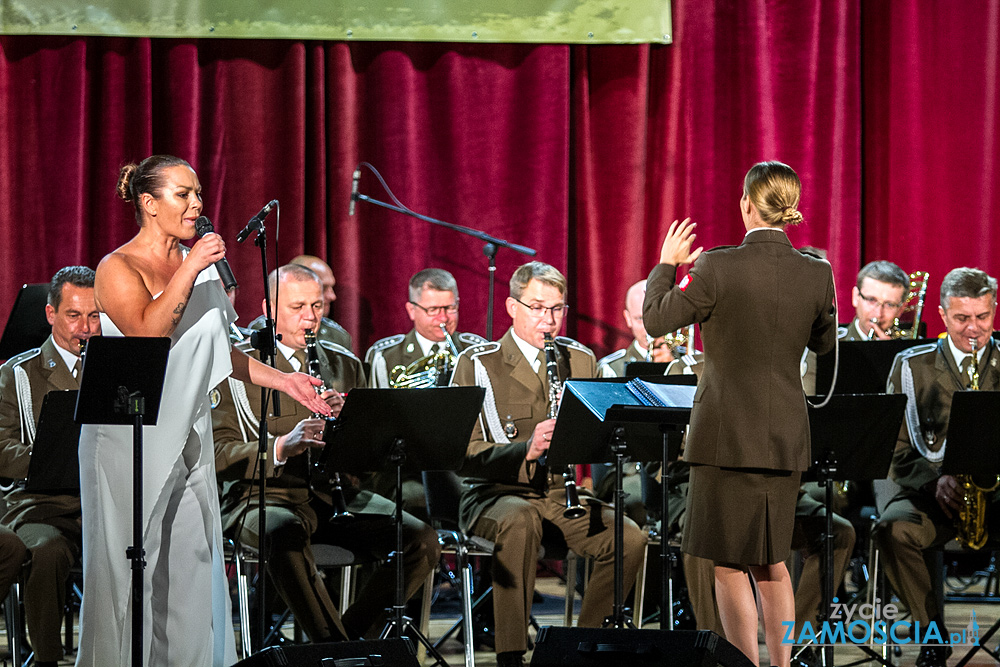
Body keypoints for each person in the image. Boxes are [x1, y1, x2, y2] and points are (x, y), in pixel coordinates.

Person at [76, 155, 329, 667]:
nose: (196, 205)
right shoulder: (116, 267)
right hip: (129, 432)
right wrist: (191, 267)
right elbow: (150, 335)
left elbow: (218, 351)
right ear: (149, 204)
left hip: (187, 430)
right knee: (128, 569)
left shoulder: (203, 268)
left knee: (191, 563)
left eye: (197, 193)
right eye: (182, 194)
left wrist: (286, 380)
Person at [643, 161, 837, 667]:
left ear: (746, 204)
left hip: (724, 439)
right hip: (783, 439)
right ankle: (782, 663)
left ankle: (743, 664)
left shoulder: (718, 266)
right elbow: (823, 344)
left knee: (728, 562)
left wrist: (667, 264)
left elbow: (657, 318)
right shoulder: (818, 272)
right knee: (773, 561)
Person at [214, 263, 440, 641]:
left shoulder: (345, 364)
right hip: (259, 495)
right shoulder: (234, 364)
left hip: (331, 493)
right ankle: (332, 649)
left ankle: (347, 639)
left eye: (317, 306)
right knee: (283, 532)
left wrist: (350, 428)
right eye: (297, 307)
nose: (310, 318)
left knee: (419, 539)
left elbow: (370, 459)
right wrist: (282, 446)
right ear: (269, 309)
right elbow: (219, 452)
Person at [450, 261, 647, 667]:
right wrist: (528, 447)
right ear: (511, 306)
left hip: (560, 493)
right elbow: (462, 455)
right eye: (537, 307)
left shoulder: (579, 358)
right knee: (520, 519)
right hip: (495, 494)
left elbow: (597, 438)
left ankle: (578, 647)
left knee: (630, 538)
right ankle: (510, 653)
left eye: (557, 309)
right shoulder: (478, 363)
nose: (549, 320)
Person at [874, 267, 1000, 667]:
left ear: (994, 311)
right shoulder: (912, 365)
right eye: (962, 318)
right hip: (934, 494)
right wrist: (934, 482)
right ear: (943, 315)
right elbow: (892, 449)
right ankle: (934, 634)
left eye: (982, 317)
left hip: (996, 498)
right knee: (891, 530)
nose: (974, 330)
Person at [0, 266, 98, 667]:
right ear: (50, 314)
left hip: (101, 503)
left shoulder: (113, 367)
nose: (85, 328)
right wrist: (42, 461)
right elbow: (2, 446)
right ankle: (46, 659)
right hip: (40, 503)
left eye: (94, 316)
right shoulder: (18, 373)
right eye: (74, 316)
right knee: (48, 550)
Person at [364, 268, 485, 518]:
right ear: (411, 310)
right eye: (433, 310)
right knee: (416, 501)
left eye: (450, 308)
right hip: (409, 470)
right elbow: (378, 427)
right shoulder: (385, 356)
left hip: (466, 466)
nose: (443, 318)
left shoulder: (478, 351)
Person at [248, 254, 352, 351]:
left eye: (316, 305)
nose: (332, 296)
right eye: (298, 307)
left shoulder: (338, 337)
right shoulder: (257, 335)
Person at [596, 280, 676, 377]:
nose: (649, 327)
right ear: (628, 318)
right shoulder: (610, 369)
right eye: (640, 318)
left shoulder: (691, 361)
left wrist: (675, 367)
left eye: (658, 317)